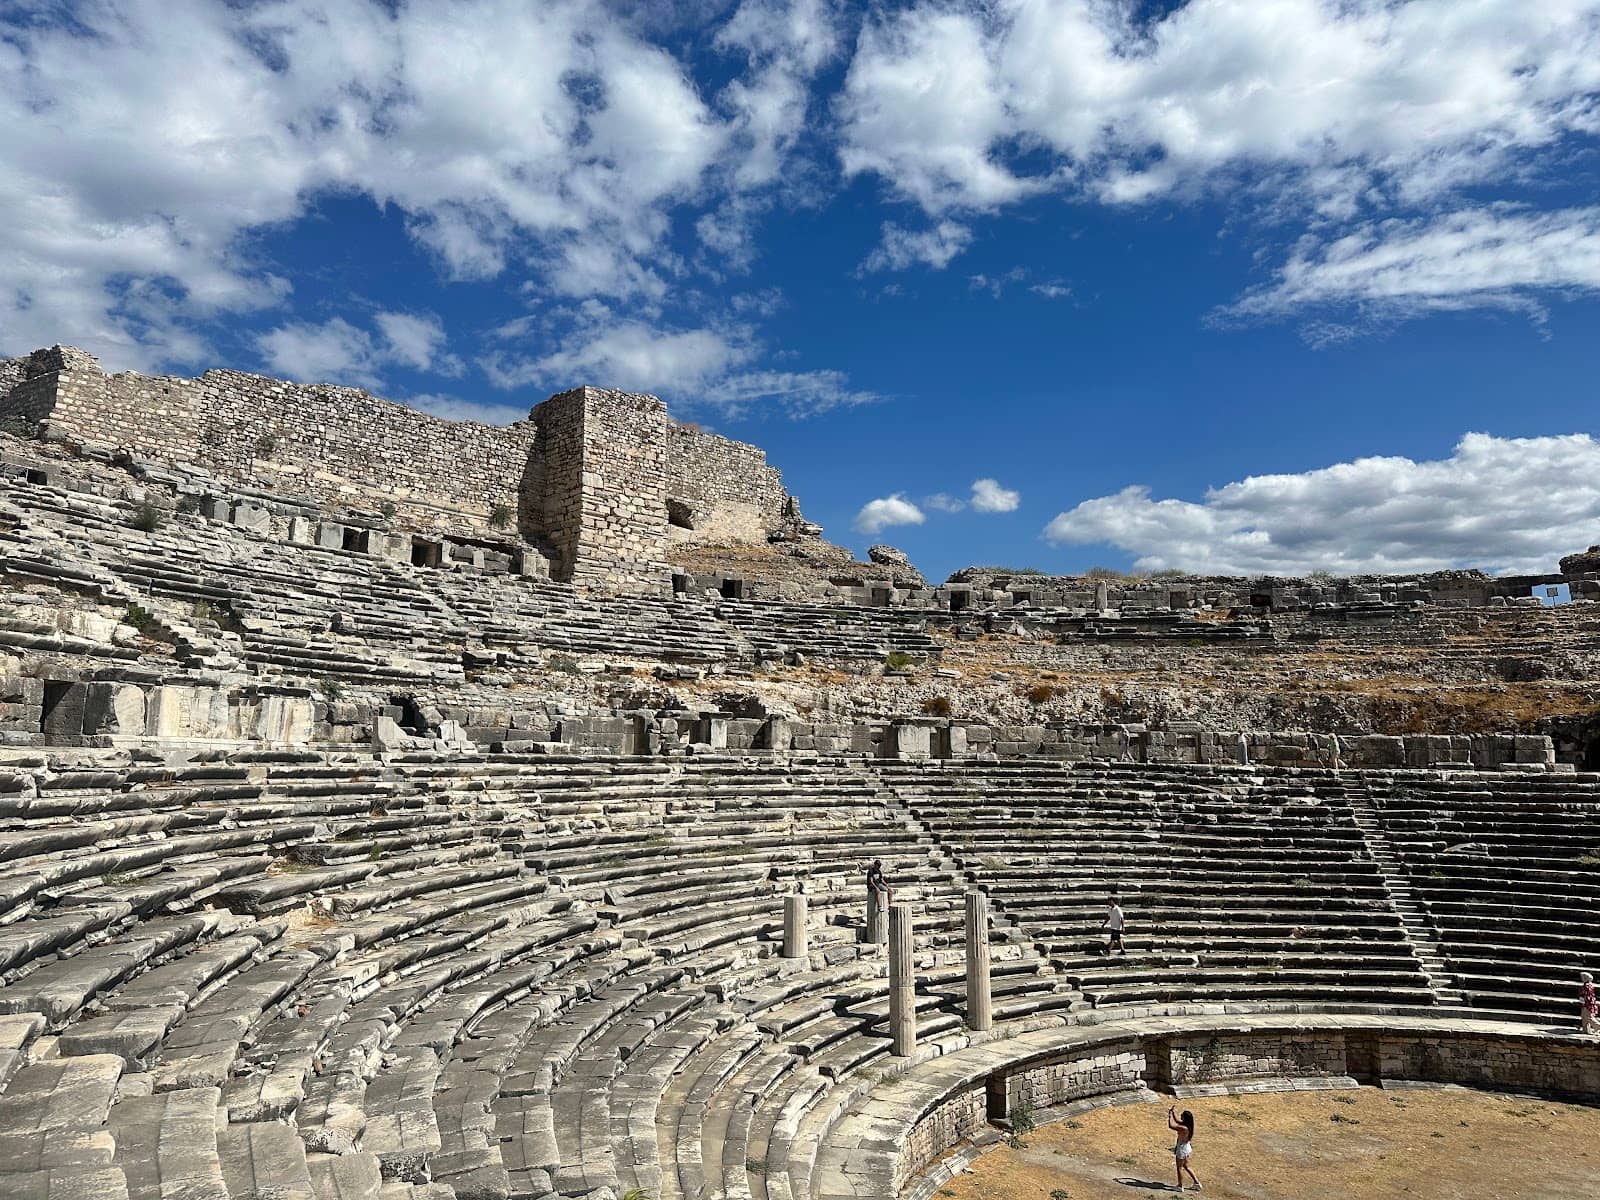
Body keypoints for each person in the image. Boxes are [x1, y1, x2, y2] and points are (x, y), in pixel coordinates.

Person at [1167, 1106, 1201, 1191]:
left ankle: (1180, 1186)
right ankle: (1196, 1183)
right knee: (1186, 1166)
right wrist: (1173, 1113)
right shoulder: (1188, 1125)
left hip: (1182, 1148)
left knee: (1179, 1167)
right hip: (1187, 1147)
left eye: (1182, 1115)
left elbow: (1171, 1126)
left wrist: (1170, 1116)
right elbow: (1177, 1121)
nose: (1181, 1116)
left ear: (1185, 1118)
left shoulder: (1183, 1128)